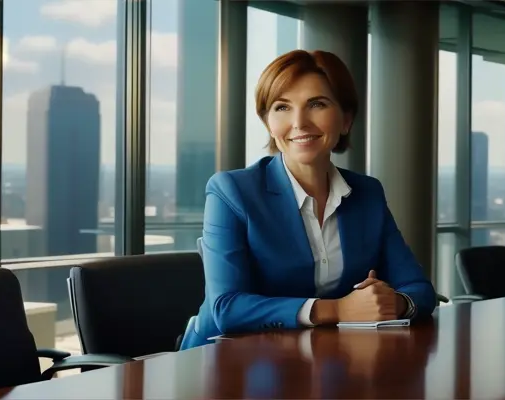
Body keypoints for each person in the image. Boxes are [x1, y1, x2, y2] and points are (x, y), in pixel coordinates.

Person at [180, 49, 437, 350]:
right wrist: (339, 309)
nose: (299, 122)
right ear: (268, 123)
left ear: (346, 120)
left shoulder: (367, 194)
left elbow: (420, 290)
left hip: (321, 361)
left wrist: (395, 303)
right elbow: (227, 308)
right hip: (220, 363)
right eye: (282, 107)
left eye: (316, 104)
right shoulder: (232, 191)